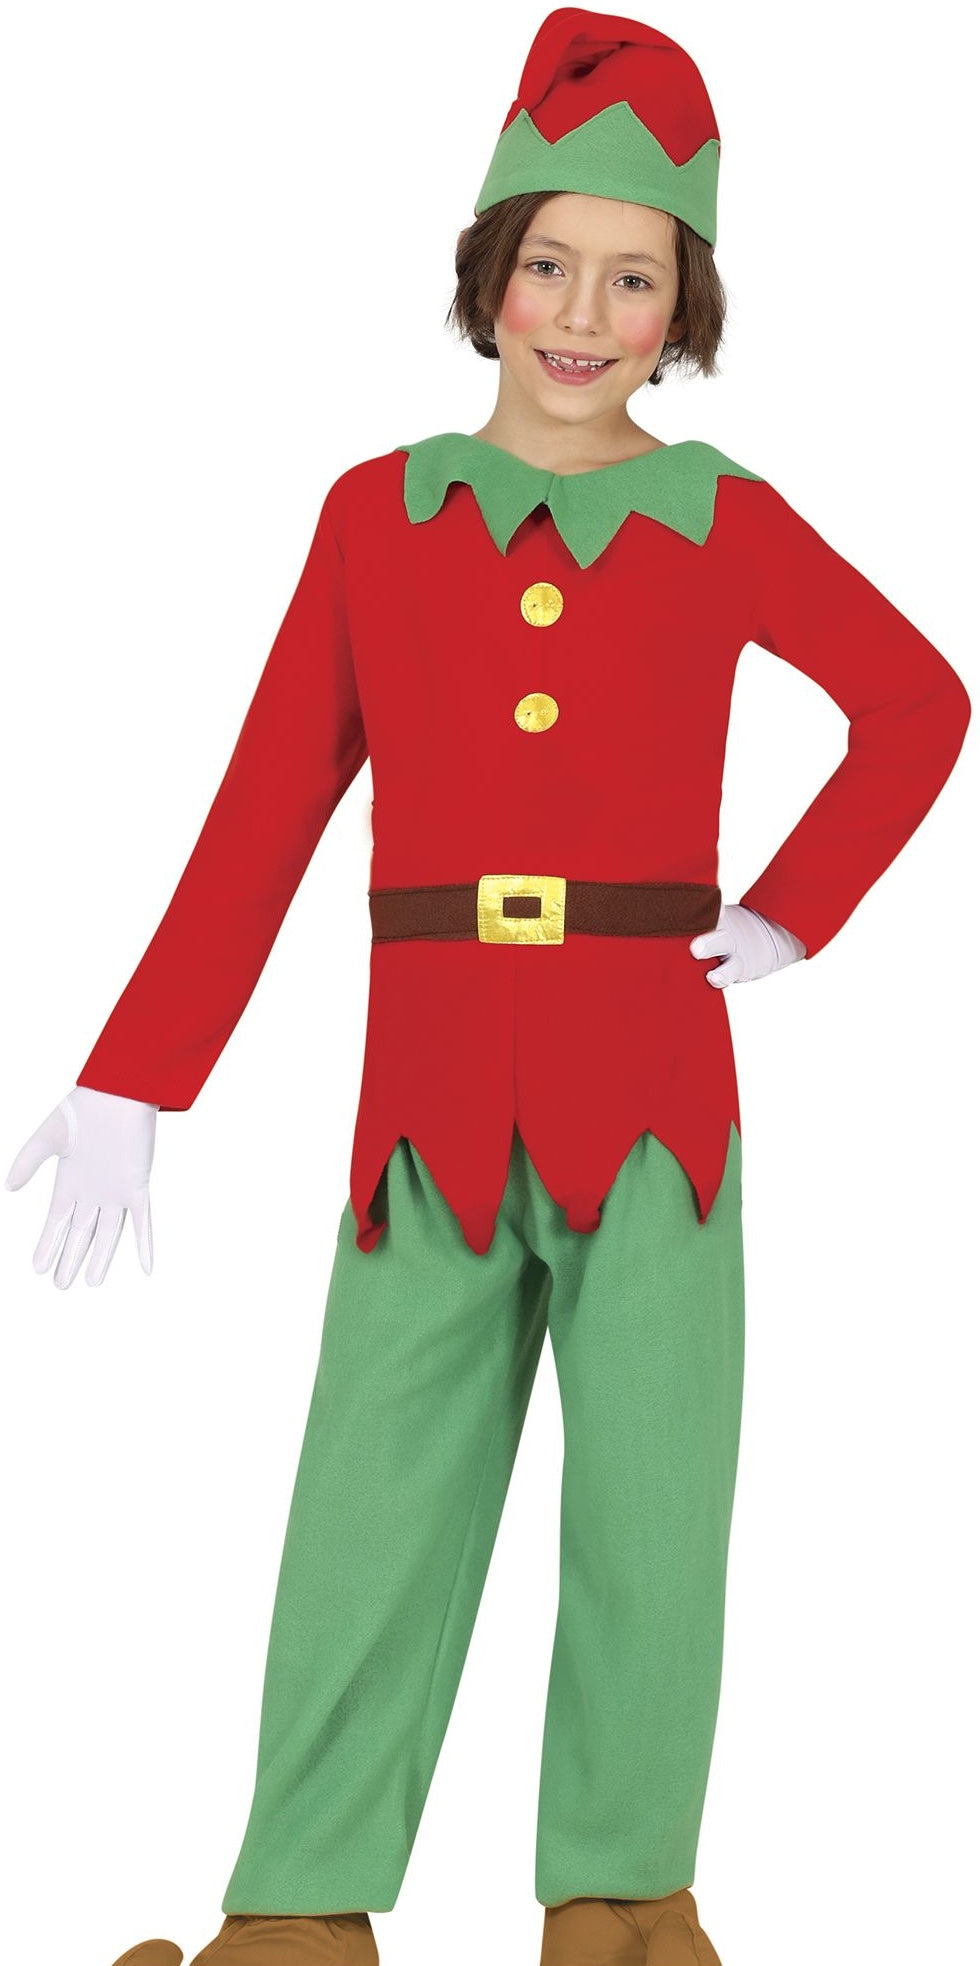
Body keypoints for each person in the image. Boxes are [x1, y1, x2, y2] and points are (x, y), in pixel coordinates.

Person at [4, 10, 971, 1966]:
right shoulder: (377, 515)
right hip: (427, 1084)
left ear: (683, 305)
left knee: (652, 1501)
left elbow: (917, 700)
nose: (583, 316)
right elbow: (267, 804)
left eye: (634, 279)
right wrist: (136, 1072)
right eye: (550, 266)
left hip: (656, 1079)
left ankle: (620, 1893)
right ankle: (297, 1903)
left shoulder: (721, 517)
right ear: (488, 273)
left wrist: (794, 909)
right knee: (370, 1489)